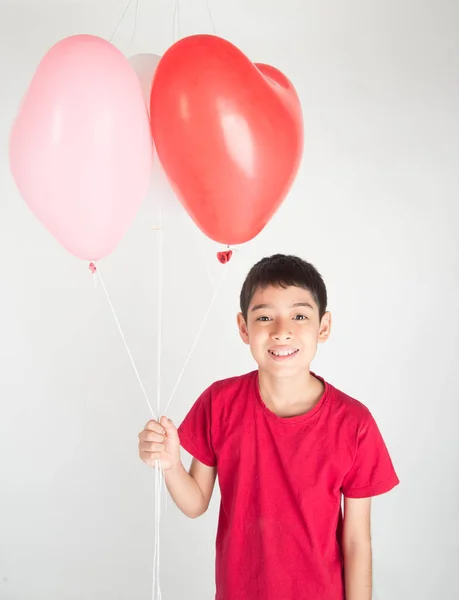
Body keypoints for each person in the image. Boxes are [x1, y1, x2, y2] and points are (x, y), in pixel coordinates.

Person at [138, 254, 399, 600]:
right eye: (264, 317)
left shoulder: (354, 423)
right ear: (244, 328)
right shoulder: (220, 403)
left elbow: (356, 541)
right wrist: (170, 466)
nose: (281, 331)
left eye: (300, 316)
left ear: (323, 327)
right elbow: (196, 502)